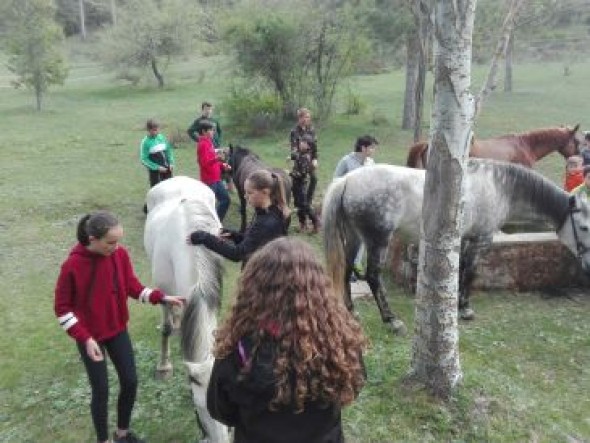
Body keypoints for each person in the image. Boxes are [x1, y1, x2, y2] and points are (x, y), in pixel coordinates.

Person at [206, 237, 367, 443]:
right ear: (318, 289)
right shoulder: (338, 340)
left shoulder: (239, 349)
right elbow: (354, 386)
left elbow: (221, 410)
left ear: (254, 289)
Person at [54, 211, 185, 443]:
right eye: (110, 242)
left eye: (118, 241)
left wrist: (161, 297)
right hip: (90, 338)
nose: (116, 247)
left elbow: (132, 286)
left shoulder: (119, 255)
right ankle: (103, 440)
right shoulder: (72, 265)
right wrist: (85, 338)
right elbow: (62, 309)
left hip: (116, 329)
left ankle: (122, 434)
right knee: (101, 390)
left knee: (130, 380)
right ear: (92, 239)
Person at [186, 170, 289, 267]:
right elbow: (255, 242)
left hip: (264, 280)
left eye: (250, 193)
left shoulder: (266, 222)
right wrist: (234, 236)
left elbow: (237, 254)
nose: (245, 196)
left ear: (265, 192)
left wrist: (204, 237)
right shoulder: (270, 212)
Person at [333, 135, 378, 280]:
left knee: (363, 237)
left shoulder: (371, 162)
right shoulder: (346, 161)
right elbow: (336, 181)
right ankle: (345, 268)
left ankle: (356, 266)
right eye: (371, 147)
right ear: (363, 148)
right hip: (348, 206)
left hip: (365, 207)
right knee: (349, 238)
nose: (373, 150)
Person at [187, 101, 234, 192]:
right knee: (210, 165)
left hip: (216, 146)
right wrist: (198, 139)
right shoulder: (199, 121)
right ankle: (214, 186)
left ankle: (228, 186)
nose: (208, 111)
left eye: (210, 109)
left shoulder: (214, 121)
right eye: (206, 109)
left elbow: (219, 131)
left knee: (223, 165)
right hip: (206, 147)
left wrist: (218, 140)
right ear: (202, 110)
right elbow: (190, 131)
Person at [196, 120, 231, 221]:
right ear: (203, 131)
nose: (213, 132)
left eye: (213, 130)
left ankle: (216, 222)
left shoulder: (209, 142)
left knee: (225, 200)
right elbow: (203, 164)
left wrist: (222, 165)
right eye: (211, 130)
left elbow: (212, 159)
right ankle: (206, 224)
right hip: (209, 181)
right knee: (208, 206)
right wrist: (217, 159)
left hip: (216, 178)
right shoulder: (202, 144)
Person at [139, 119, 175, 212]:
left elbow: (168, 151)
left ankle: (166, 208)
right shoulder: (145, 142)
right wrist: (157, 168)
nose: (156, 132)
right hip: (155, 171)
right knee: (156, 190)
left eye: (157, 129)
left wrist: (171, 162)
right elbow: (144, 159)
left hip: (167, 169)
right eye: (154, 130)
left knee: (168, 188)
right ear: (148, 130)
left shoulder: (161, 137)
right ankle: (147, 209)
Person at [289, 134, 319, 233]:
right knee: (297, 204)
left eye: (304, 143)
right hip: (296, 184)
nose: (301, 143)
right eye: (301, 141)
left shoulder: (306, 157)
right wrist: (290, 157)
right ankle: (302, 224)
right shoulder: (300, 153)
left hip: (301, 184)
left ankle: (316, 223)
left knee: (304, 205)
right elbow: (296, 155)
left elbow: (301, 174)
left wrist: (288, 173)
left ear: (308, 146)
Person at [289, 108, 318, 204]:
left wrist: (315, 159)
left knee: (314, 179)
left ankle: (308, 201)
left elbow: (314, 146)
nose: (306, 119)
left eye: (308, 117)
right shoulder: (294, 131)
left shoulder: (311, 129)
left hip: (310, 159)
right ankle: (301, 202)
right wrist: (298, 156)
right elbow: (294, 149)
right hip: (300, 160)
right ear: (299, 118)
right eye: (304, 117)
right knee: (299, 182)